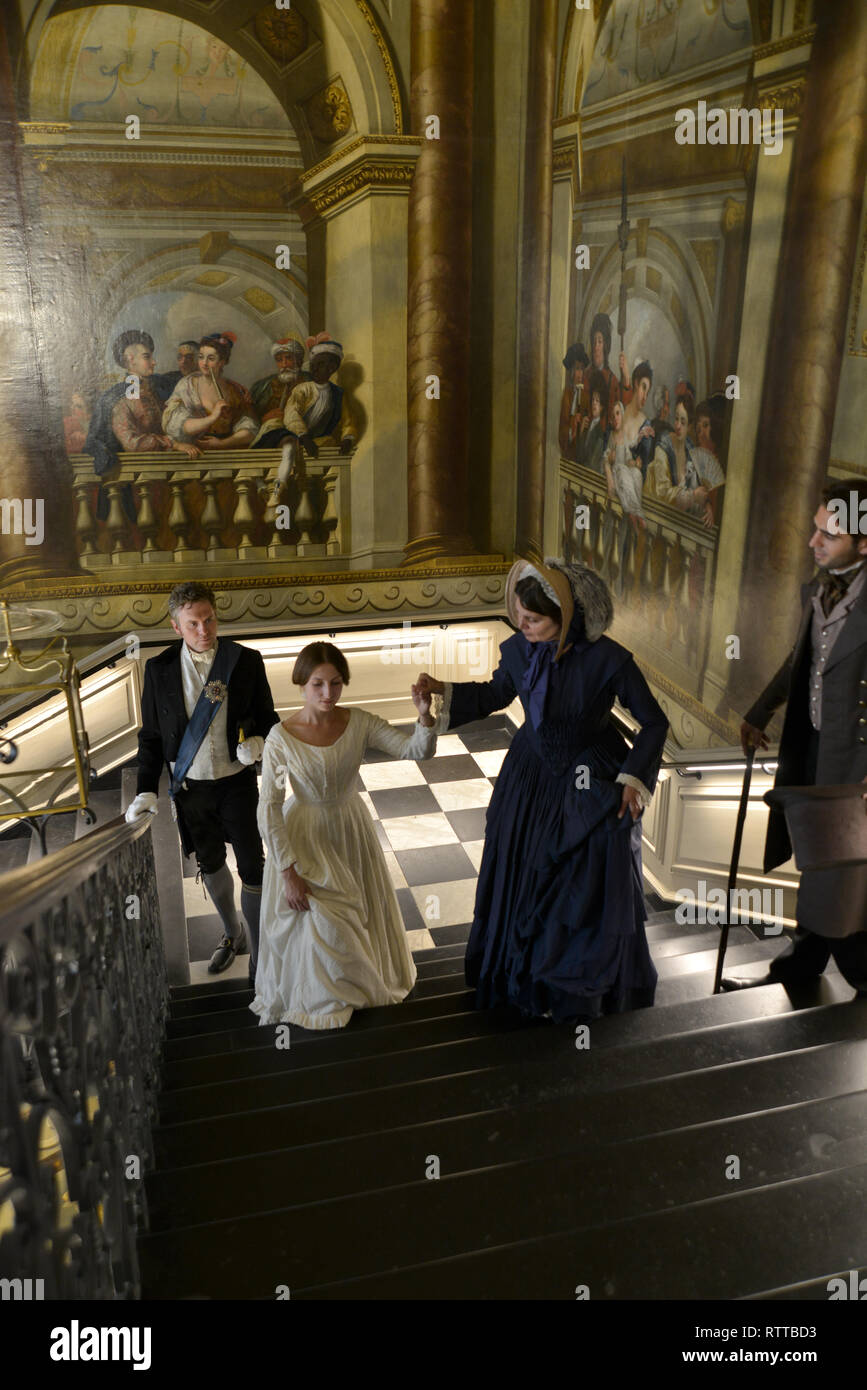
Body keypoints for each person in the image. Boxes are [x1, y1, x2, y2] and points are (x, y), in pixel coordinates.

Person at [418, 557, 668, 1022]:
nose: (522, 625)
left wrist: (634, 779)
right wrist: (440, 691)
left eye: (533, 619)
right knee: (520, 868)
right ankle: (519, 976)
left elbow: (654, 723)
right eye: (519, 616)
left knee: (581, 879)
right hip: (530, 778)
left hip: (589, 779)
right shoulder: (518, 650)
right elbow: (494, 695)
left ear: (566, 616)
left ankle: (572, 989)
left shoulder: (609, 660)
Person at [723, 478, 867, 997]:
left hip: (853, 773)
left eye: (828, 534)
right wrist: (760, 711)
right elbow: (801, 662)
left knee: (840, 879)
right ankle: (802, 965)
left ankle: (852, 978)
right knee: (819, 865)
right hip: (810, 755)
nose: (813, 543)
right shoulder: (821, 589)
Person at [251, 643, 436, 1030]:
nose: (328, 694)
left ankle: (358, 984)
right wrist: (287, 871)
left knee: (357, 912)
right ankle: (323, 996)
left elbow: (413, 750)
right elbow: (268, 806)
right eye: (318, 684)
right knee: (320, 920)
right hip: (304, 837)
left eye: (336, 684)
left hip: (350, 831)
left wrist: (424, 718)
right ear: (301, 683)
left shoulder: (360, 724)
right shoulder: (280, 740)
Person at [125, 581, 278, 977]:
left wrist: (260, 741)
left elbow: (269, 720)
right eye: (192, 623)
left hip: (236, 783)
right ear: (176, 627)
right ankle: (233, 933)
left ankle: (261, 955)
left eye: (208, 619)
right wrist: (145, 788)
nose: (204, 630)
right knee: (210, 863)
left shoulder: (245, 661)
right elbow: (152, 738)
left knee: (253, 867)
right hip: (190, 788)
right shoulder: (157, 670)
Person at [264, 332, 357, 512]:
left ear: (332, 368)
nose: (315, 369)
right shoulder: (302, 389)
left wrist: (348, 438)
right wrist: (303, 436)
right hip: (293, 436)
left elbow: (348, 421)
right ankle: (276, 491)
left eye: (321, 365)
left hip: (319, 440)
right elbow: (291, 414)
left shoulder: (338, 394)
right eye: (314, 365)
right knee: (289, 451)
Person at [162, 332, 258, 451]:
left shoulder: (234, 389)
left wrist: (222, 443)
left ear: (222, 362)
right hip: (193, 452)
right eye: (201, 357)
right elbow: (178, 426)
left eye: (211, 358)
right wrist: (213, 417)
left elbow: (250, 429)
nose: (204, 363)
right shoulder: (187, 386)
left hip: (225, 452)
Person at [250, 336, 309, 448]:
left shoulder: (310, 383)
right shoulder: (263, 387)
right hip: (269, 436)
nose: (284, 364)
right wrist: (263, 419)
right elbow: (251, 416)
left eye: (289, 358)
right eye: (279, 360)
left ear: (300, 361)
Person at [604, 399, 646, 532]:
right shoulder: (610, 437)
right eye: (613, 415)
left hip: (624, 476)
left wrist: (635, 464)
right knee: (622, 470)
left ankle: (635, 512)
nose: (616, 418)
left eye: (618, 414)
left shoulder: (625, 438)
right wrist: (610, 460)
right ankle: (634, 513)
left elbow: (628, 459)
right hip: (616, 476)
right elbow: (605, 459)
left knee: (637, 474)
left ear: (622, 416)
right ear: (611, 419)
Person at [558, 342, 589, 460]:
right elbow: (562, 430)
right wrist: (573, 424)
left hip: (581, 455)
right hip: (567, 454)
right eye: (577, 369)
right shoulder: (567, 394)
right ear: (571, 371)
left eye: (582, 369)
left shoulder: (586, 396)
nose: (580, 374)